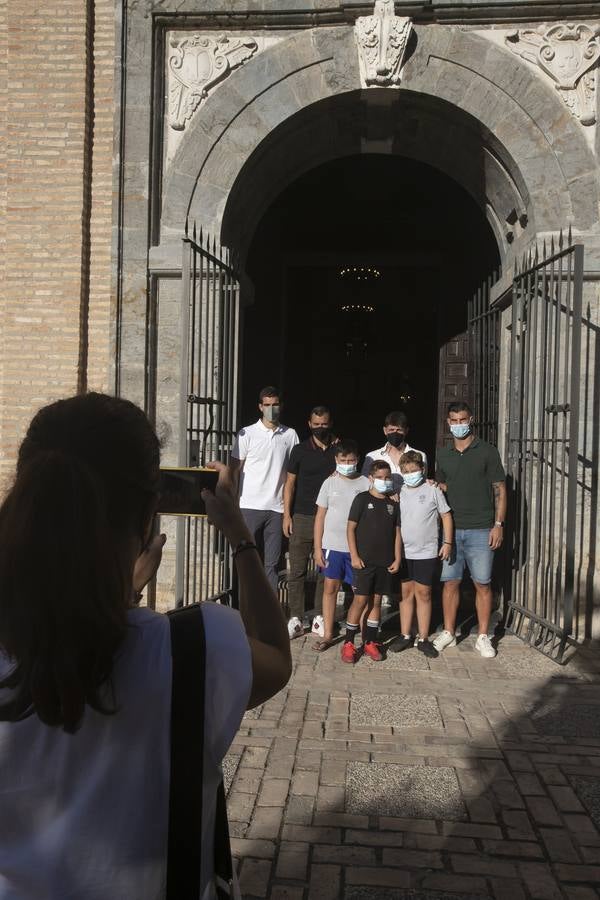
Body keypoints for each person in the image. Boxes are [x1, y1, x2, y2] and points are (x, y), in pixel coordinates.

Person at [0, 392, 291, 900]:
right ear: (147, 518)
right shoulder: (198, 648)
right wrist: (239, 534)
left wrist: (124, 593)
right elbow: (274, 653)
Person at [433, 401, 507, 659]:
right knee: (450, 583)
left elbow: (500, 489)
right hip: (452, 530)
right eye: (453, 420)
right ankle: (449, 632)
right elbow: (439, 487)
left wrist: (498, 525)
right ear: (448, 422)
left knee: (482, 584)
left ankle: (483, 636)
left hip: (481, 528)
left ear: (471, 419)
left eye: (462, 419)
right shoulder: (443, 454)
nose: (458, 425)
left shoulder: (487, 451)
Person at [231, 386, 299, 594]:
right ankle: (245, 610)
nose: (271, 409)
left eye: (275, 404)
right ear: (260, 407)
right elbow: (235, 470)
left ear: (281, 406)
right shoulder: (247, 434)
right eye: (267, 405)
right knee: (247, 561)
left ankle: (270, 613)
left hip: (276, 509)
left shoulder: (290, 435)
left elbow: (294, 472)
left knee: (272, 564)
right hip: (249, 506)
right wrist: (232, 503)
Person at [388, 451, 454, 658]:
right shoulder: (400, 492)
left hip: (426, 551)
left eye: (414, 470)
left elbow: (446, 516)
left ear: (422, 470)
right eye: (406, 471)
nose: (410, 474)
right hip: (404, 552)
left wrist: (447, 542)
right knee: (406, 594)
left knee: (423, 594)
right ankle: (405, 634)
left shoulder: (432, 490)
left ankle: (423, 638)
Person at [283, 405, 337, 639]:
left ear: (330, 423)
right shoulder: (299, 450)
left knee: (325, 570)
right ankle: (296, 617)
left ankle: (319, 617)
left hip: (330, 518)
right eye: (316, 424)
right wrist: (287, 515)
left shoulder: (338, 450)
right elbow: (290, 484)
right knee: (297, 570)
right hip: (303, 516)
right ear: (309, 424)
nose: (320, 428)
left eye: (324, 424)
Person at [343, 460, 402, 663]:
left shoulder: (392, 505)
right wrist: (354, 555)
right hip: (364, 562)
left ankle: (370, 641)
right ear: (371, 478)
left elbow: (397, 533)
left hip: (384, 562)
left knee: (376, 601)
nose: (383, 481)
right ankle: (349, 643)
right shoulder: (361, 499)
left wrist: (397, 557)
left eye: (387, 478)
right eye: (379, 478)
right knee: (360, 600)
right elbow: (350, 528)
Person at [313, 440, 369, 652]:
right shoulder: (329, 483)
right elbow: (320, 516)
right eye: (343, 460)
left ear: (358, 459)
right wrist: (318, 548)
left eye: (351, 460)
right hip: (332, 546)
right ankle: (328, 634)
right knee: (330, 588)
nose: (347, 463)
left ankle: (363, 636)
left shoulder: (366, 483)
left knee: (360, 592)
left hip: (357, 548)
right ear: (336, 460)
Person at [362, 410, 427, 492]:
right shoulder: (372, 456)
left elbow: (422, 483)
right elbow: (365, 484)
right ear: (385, 430)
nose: (395, 433)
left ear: (406, 431)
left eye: (399, 430)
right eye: (391, 430)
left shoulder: (420, 455)